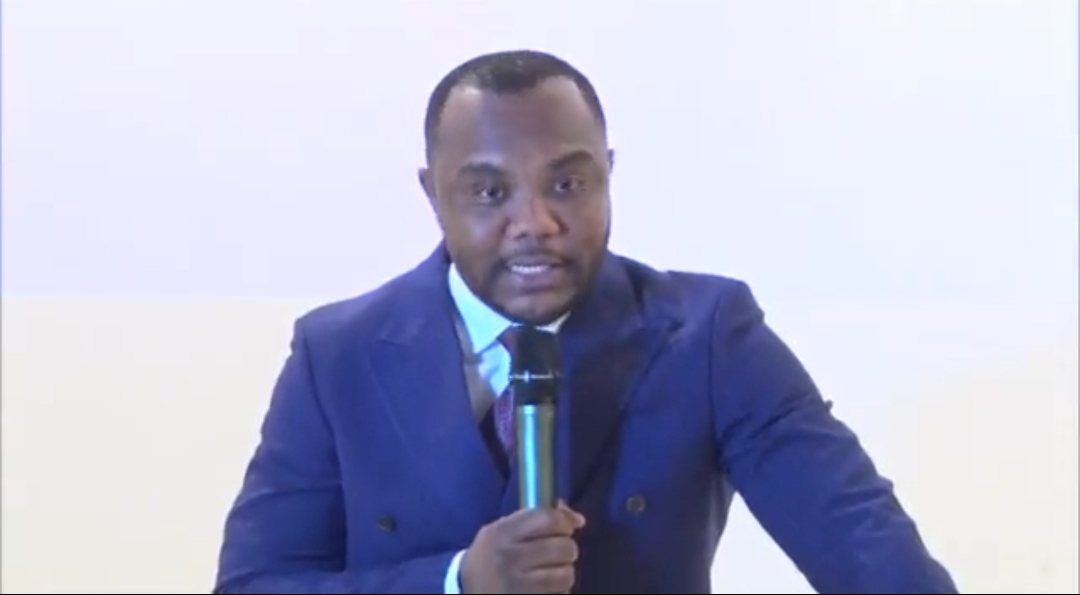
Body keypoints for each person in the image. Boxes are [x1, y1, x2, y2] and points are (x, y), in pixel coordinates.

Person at [212, 49, 958, 594]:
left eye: (568, 183)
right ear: (432, 194)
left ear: (609, 174)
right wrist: (456, 580)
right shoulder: (337, 356)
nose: (535, 222)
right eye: (490, 192)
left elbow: (870, 552)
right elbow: (255, 585)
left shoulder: (708, 336)